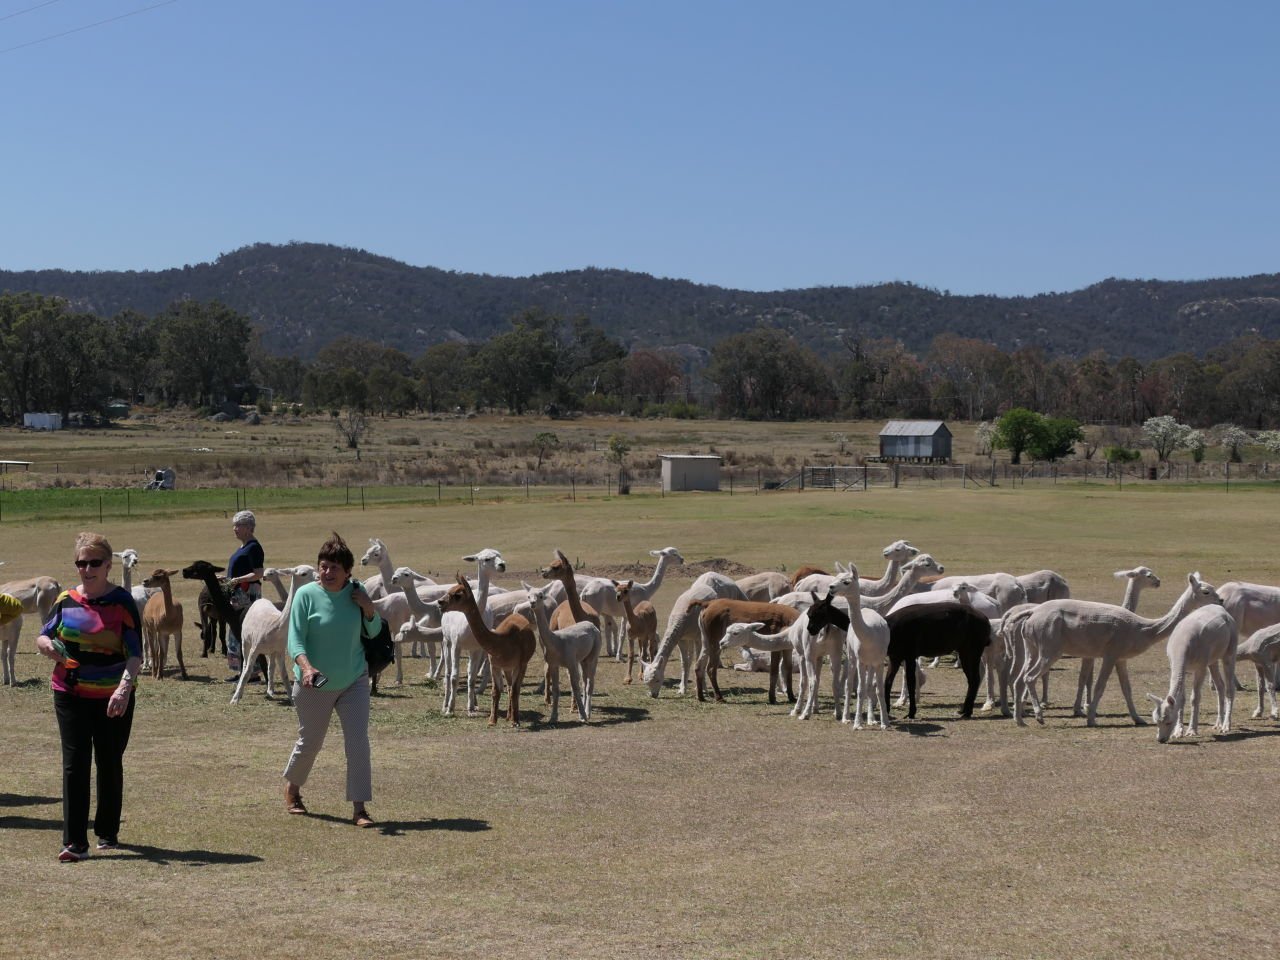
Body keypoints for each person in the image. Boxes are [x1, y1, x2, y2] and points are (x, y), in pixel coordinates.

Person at [35, 532, 143, 862]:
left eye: (94, 562)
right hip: (69, 692)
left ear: (108, 565)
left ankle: (107, 831)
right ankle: (74, 843)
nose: (87, 569)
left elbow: (135, 654)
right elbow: (43, 636)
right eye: (81, 563)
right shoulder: (66, 600)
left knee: (109, 762)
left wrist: (123, 689)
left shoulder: (122, 602)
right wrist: (48, 648)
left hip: (113, 695)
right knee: (74, 764)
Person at [282, 532, 381, 828]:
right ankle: (292, 789)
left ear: (348, 571)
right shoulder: (305, 596)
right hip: (316, 682)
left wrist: (368, 607)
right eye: (323, 566)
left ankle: (360, 809)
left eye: (334, 567)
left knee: (358, 743)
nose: (327, 572)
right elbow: (295, 640)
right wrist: (307, 667)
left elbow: (374, 632)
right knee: (310, 741)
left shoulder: (357, 591)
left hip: (354, 680)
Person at [225, 509, 265, 680]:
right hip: (237, 594)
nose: (235, 529)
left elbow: (258, 573)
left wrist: (237, 579)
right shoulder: (243, 547)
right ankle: (242, 670)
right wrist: (227, 579)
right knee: (236, 632)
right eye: (234, 525)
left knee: (247, 632)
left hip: (248, 595)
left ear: (249, 528)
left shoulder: (254, 548)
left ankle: (253, 673)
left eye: (238, 525)